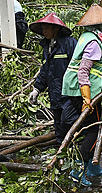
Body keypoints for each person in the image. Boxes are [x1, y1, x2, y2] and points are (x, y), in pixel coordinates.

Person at [61, 4, 102, 186]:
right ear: (99, 26)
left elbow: (98, 64)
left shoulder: (87, 38)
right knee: (95, 131)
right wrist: (87, 99)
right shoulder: (94, 43)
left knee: (93, 128)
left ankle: (92, 167)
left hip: (75, 88)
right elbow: (83, 71)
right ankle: (79, 170)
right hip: (83, 90)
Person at [27, 12, 78, 143]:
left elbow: (79, 68)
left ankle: (80, 149)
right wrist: (37, 89)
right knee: (59, 127)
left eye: (47, 27)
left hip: (70, 95)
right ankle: (62, 156)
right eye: (43, 28)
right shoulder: (47, 47)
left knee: (69, 120)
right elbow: (45, 70)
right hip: (54, 95)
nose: (44, 30)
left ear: (56, 28)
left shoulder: (70, 44)